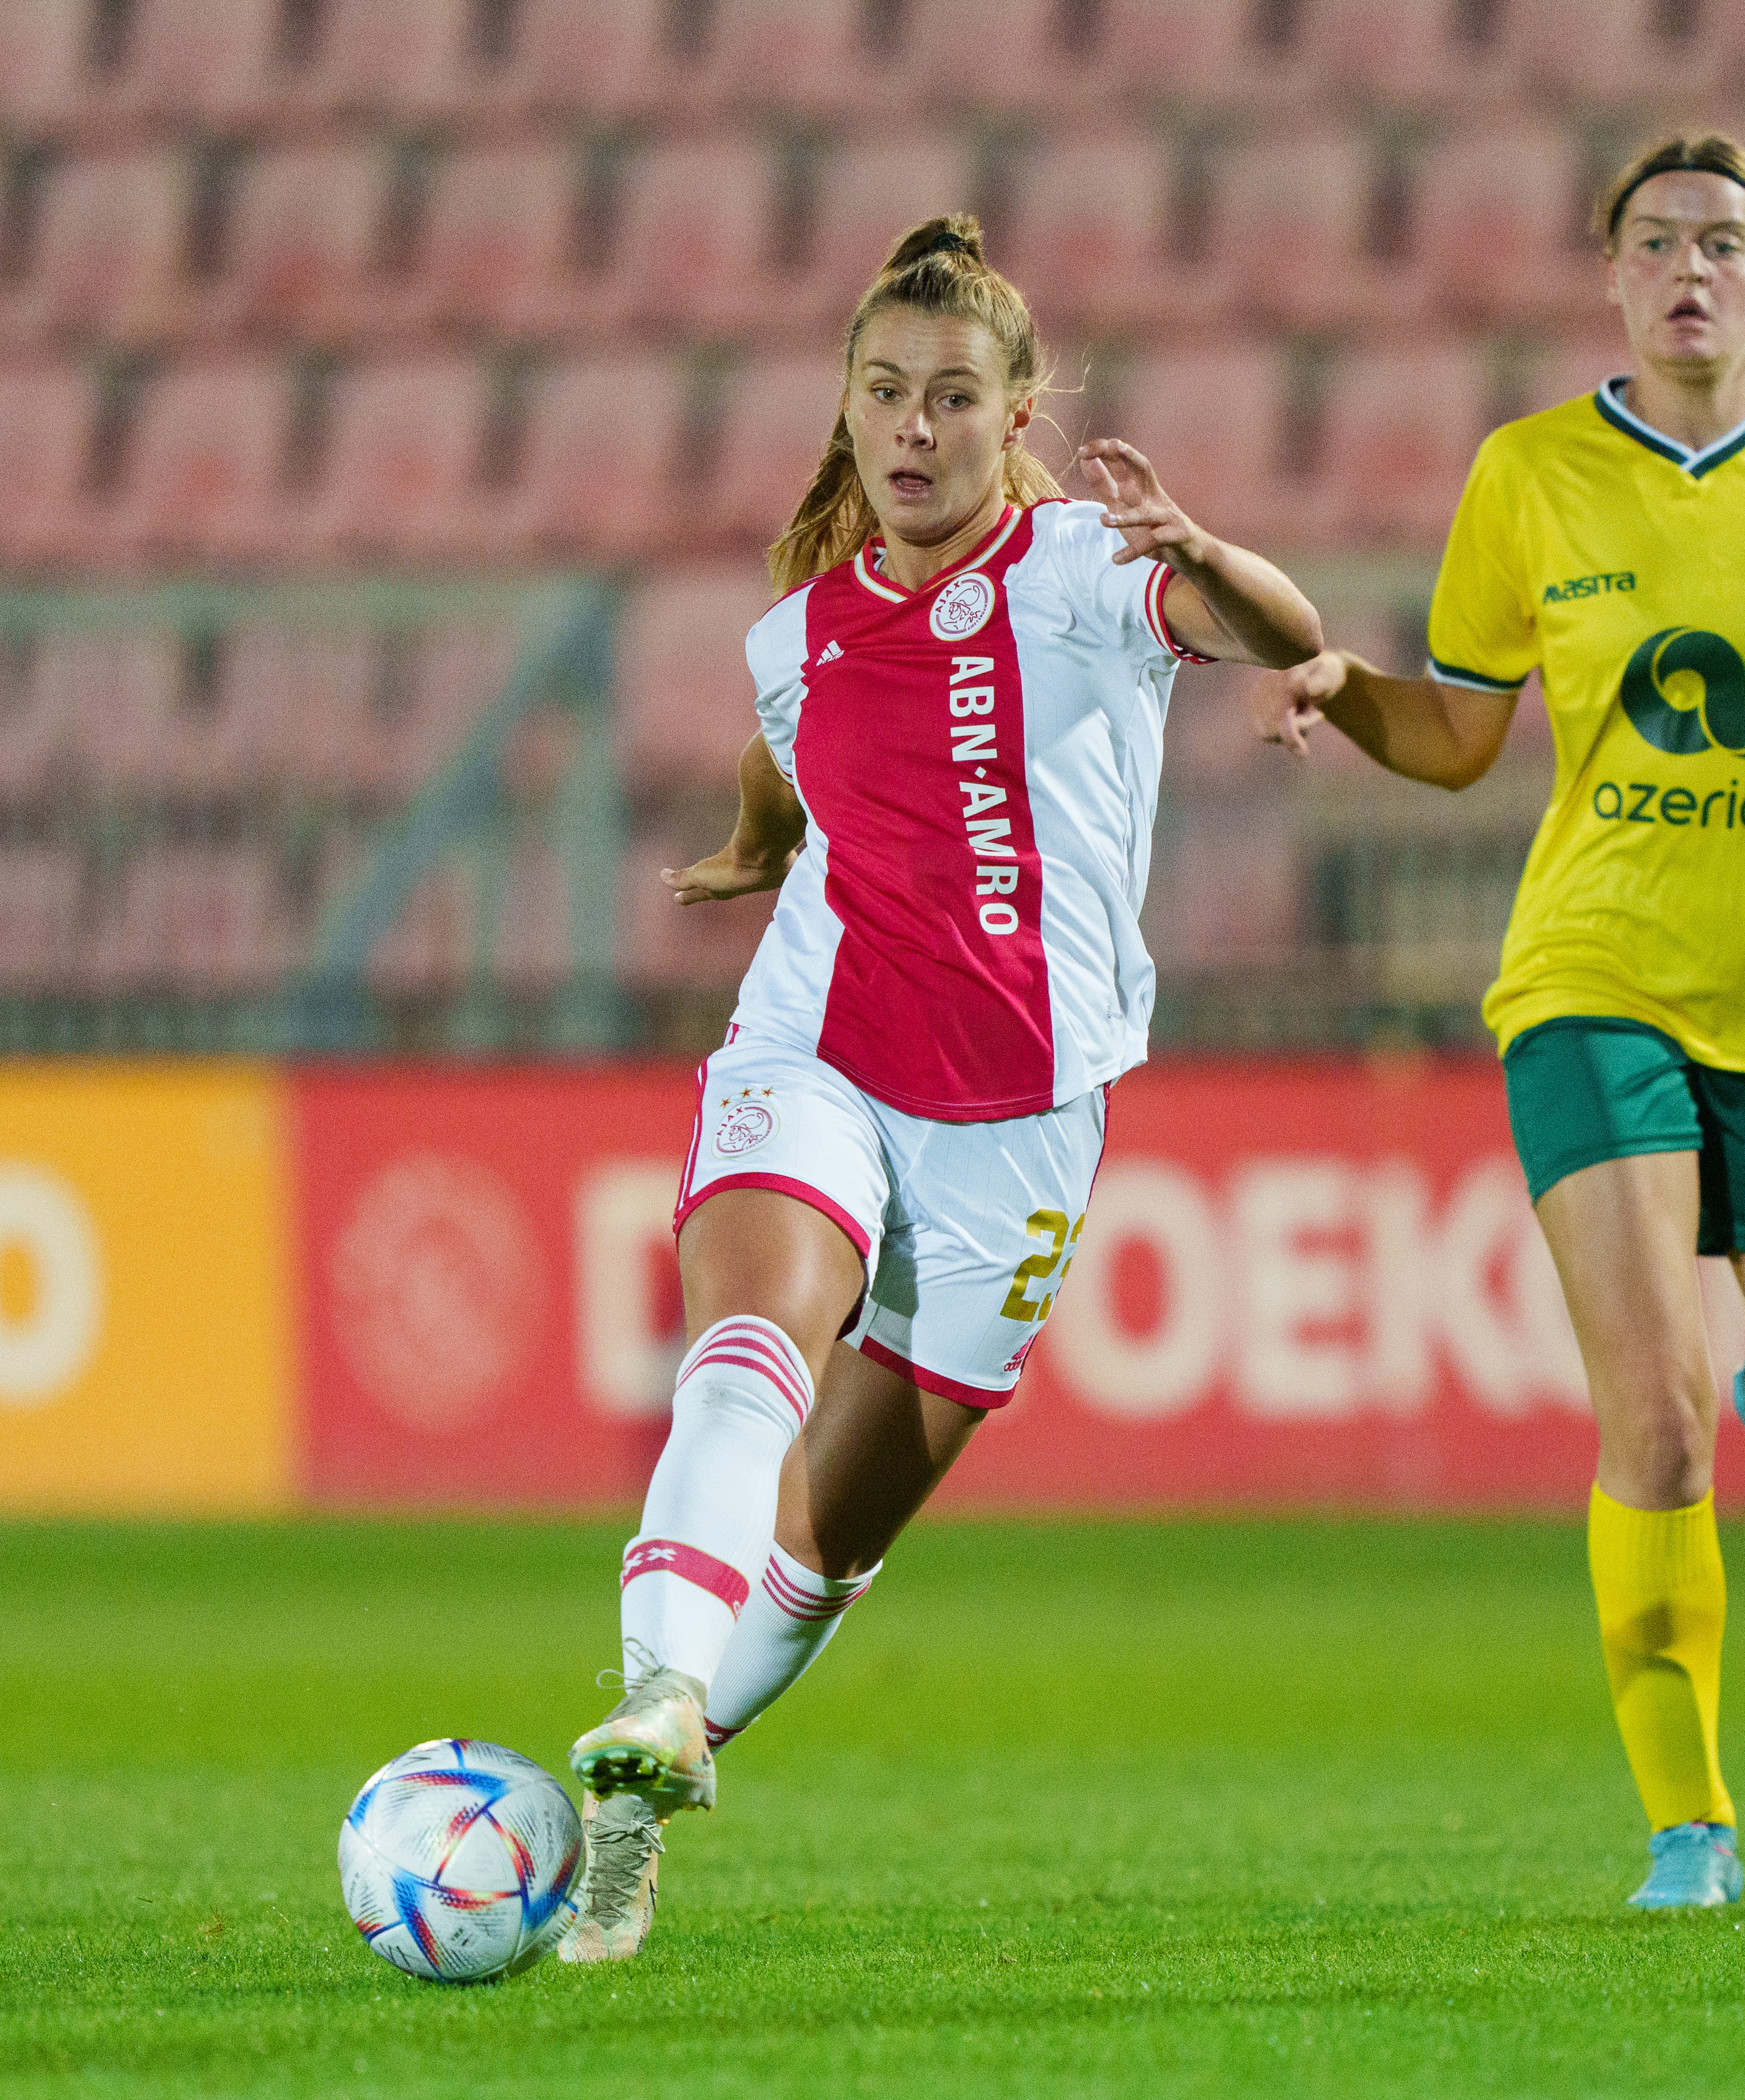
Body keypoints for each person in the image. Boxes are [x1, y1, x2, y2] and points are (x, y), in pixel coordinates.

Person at [558, 215, 1324, 1963]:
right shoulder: (795, 634)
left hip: (1025, 1115)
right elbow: (785, 747)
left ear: (1018, 411)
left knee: (830, 1536)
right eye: (884, 392)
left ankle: (663, 1771)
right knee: (747, 1345)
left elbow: (1283, 628)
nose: (913, 428)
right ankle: (657, 1704)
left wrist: (1204, 549)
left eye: (953, 398)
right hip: (815, 1047)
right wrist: (760, 849)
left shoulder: (1079, 577)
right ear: (845, 405)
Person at [1263, 134, 1745, 1910]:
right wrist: (1340, 687)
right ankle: (1691, 1822)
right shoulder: (1529, 479)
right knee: (1642, 1416)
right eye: (1654, 241)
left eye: (1720, 244)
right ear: (1608, 275)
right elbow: (1455, 737)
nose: (1687, 269)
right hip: (1593, 980)